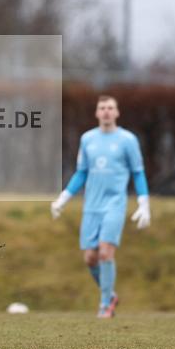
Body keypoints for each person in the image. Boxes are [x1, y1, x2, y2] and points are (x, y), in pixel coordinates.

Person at [50, 95, 151, 318]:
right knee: (90, 258)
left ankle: (105, 304)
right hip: (91, 206)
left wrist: (144, 204)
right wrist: (63, 198)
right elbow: (82, 172)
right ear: (97, 113)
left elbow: (138, 172)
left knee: (106, 252)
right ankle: (111, 294)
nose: (106, 111)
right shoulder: (88, 139)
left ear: (117, 112)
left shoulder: (127, 140)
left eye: (110, 108)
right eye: (102, 107)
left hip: (115, 204)